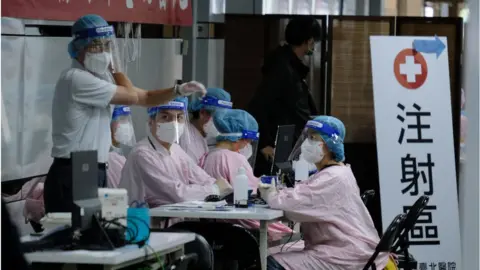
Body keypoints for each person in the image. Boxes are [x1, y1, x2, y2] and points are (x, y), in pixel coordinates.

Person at [44, 14, 207, 214]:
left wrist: (178, 90)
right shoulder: (76, 79)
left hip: (92, 167)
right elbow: (131, 96)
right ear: (79, 47)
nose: (104, 52)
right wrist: (117, 69)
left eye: (106, 46)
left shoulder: (98, 79)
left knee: (93, 236)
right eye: (96, 46)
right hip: (75, 169)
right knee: (76, 236)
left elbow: (146, 97)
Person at [259, 116, 395, 270]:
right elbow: (304, 194)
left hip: (345, 254)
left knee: (271, 263)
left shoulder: (332, 178)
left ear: (329, 145)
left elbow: (293, 205)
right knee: (274, 250)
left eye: (312, 138)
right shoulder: (337, 173)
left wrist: (269, 194)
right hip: (345, 247)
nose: (306, 143)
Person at [118, 97, 233, 208]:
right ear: (151, 121)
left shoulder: (176, 149)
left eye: (179, 118)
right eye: (165, 117)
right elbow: (177, 194)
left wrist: (218, 185)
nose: (174, 124)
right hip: (142, 222)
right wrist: (215, 189)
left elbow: (200, 177)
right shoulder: (143, 154)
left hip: (171, 219)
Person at [200, 109, 293, 241]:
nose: (248, 144)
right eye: (248, 141)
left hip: (222, 221)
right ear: (242, 138)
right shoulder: (233, 157)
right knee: (289, 236)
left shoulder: (210, 155)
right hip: (242, 222)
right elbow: (253, 192)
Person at [248, 17, 320, 176]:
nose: (314, 45)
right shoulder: (282, 69)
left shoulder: (291, 68)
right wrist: (264, 143)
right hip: (278, 145)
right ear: (308, 41)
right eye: (313, 41)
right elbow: (258, 105)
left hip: (291, 143)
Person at [179, 87, 232, 164]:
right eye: (218, 119)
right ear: (202, 113)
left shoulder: (201, 136)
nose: (221, 124)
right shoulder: (187, 139)